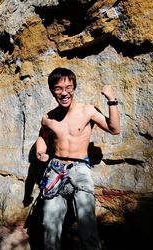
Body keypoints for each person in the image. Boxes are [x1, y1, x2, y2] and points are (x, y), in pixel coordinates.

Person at [35, 67, 120, 250]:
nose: (64, 93)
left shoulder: (87, 111)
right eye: (58, 88)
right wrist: (40, 151)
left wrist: (111, 100)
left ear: (74, 88)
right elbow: (42, 136)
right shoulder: (48, 118)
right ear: (52, 90)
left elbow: (114, 129)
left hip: (80, 169)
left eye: (69, 87)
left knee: (87, 228)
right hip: (55, 170)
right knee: (50, 227)